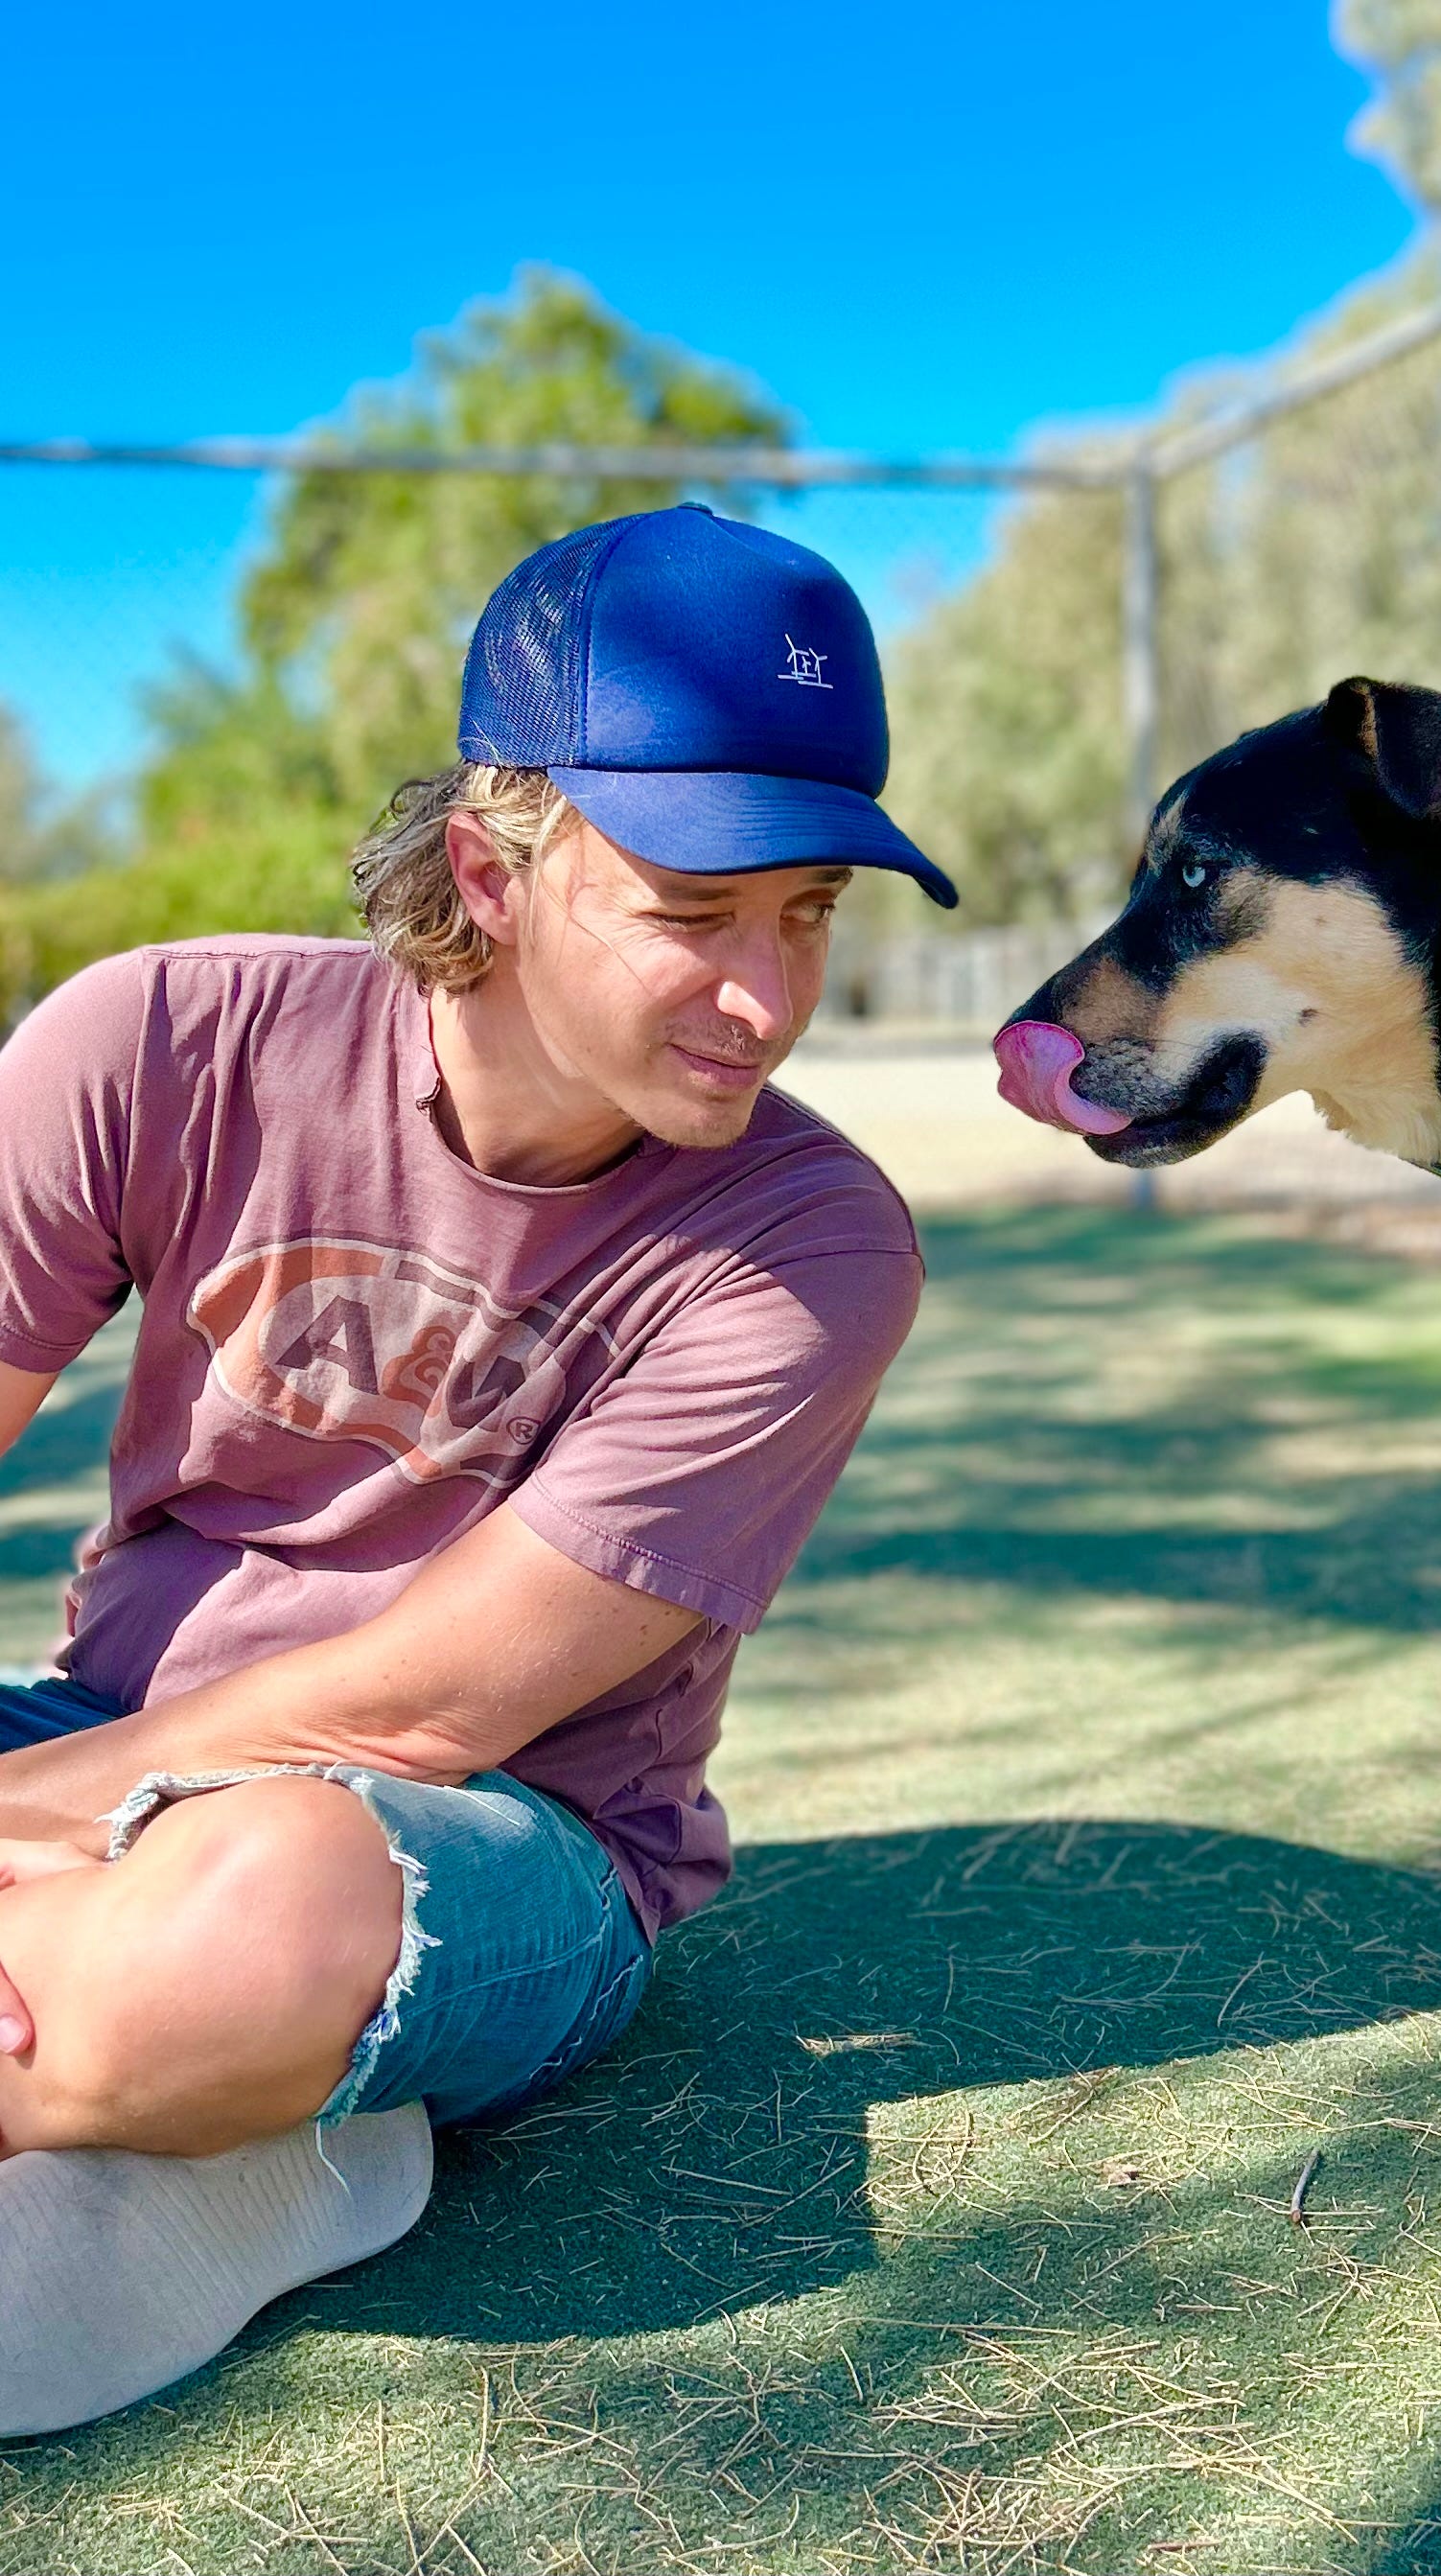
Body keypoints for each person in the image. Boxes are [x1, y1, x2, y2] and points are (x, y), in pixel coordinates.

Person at [0, 504, 956, 2432]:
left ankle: (219, 2057)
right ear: (488, 870)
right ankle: (200, 2109)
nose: (768, 999)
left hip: (482, 1841)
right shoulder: (158, 1041)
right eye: (696, 912)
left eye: (809, 914)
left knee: (258, 1912)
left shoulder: (813, 1246)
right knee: (188, 1924)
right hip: (95, 1730)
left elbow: (425, 1712)